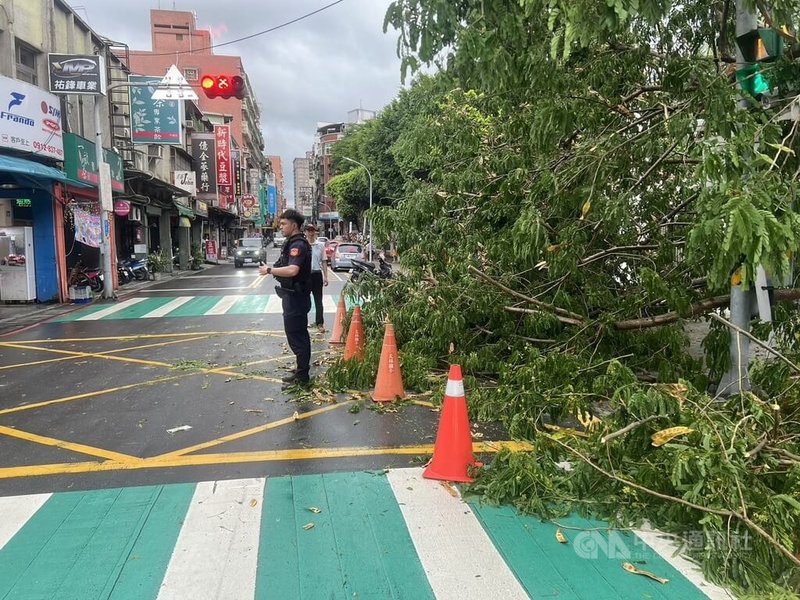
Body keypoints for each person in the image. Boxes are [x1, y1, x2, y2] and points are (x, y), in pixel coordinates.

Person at [259, 209, 312, 387]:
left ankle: (303, 376)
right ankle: (300, 371)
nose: (281, 227)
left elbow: (292, 270)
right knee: (295, 334)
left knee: (297, 336)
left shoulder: (298, 244)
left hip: (297, 297)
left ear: (294, 225)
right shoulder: (292, 242)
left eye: (284, 224)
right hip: (292, 295)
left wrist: (269, 270)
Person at [304, 223, 328, 334]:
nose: (310, 233)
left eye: (312, 230)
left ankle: (320, 323)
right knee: (303, 300)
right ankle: (303, 323)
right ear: (305, 232)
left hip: (317, 274)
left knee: (318, 300)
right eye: (308, 231)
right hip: (305, 275)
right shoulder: (302, 244)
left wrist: (326, 277)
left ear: (315, 232)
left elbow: (324, 261)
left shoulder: (320, 245)